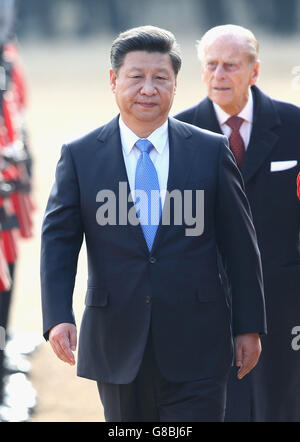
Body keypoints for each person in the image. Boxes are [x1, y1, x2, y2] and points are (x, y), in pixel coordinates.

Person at [41, 25, 266, 422]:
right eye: (136, 77)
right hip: (117, 340)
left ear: (176, 85)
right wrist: (58, 314)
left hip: (199, 341)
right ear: (114, 81)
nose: (148, 89)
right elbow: (58, 240)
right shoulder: (80, 156)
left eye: (160, 78)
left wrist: (248, 326)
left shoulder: (210, 151)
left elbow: (240, 245)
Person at [175, 24, 300, 422]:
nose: (218, 75)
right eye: (210, 65)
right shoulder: (178, 133)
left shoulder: (295, 125)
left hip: (286, 302)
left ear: (255, 71)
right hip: (210, 304)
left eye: (230, 65)